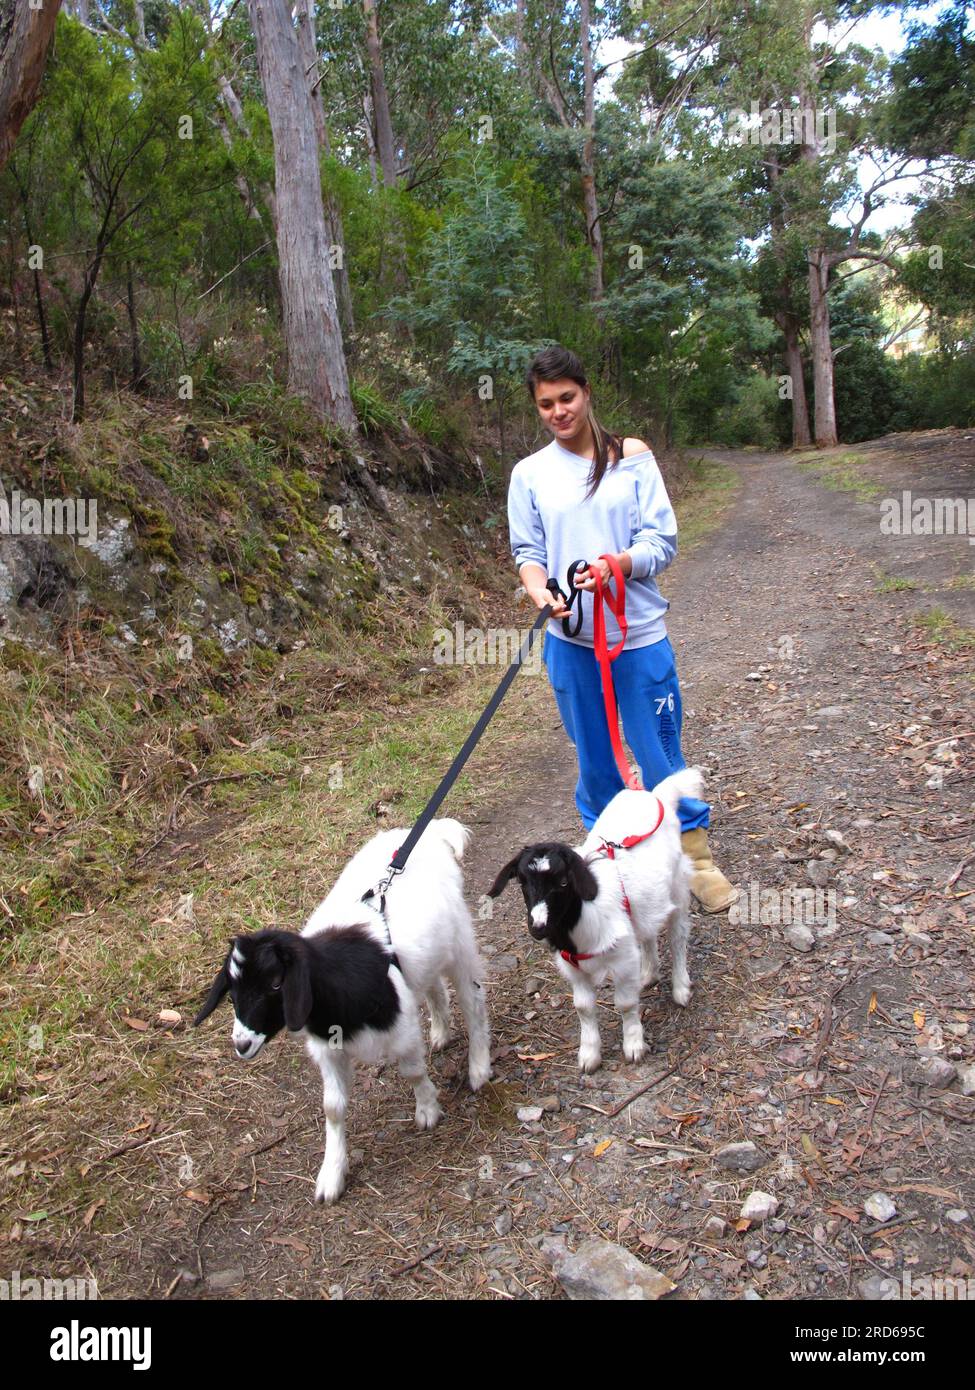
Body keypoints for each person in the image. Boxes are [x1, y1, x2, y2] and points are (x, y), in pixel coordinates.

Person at [506, 343, 733, 913]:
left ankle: (695, 858)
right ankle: (614, 870)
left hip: (636, 636)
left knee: (659, 753)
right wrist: (540, 592)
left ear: (585, 393)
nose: (558, 411)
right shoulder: (528, 474)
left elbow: (661, 542)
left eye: (567, 398)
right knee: (596, 758)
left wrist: (616, 564)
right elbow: (528, 551)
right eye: (545, 404)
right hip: (571, 643)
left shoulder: (629, 456)